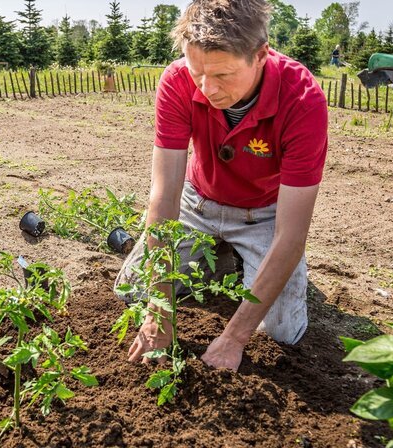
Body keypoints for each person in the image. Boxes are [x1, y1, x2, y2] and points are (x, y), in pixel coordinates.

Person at [115, 0, 328, 372]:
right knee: (134, 289)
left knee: (280, 332)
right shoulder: (178, 80)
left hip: (262, 215)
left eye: (223, 75)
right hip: (198, 204)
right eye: (197, 71)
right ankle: (225, 259)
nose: (207, 88)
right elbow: (164, 199)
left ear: (260, 54)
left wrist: (234, 337)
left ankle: (253, 261)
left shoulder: (302, 99)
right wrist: (160, 314)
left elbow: (292, 233)